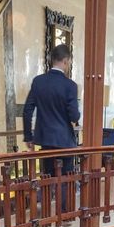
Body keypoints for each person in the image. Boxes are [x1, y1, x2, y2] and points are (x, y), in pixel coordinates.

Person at [22, 43, 80, 207]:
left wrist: (29, 136)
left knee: (47, 176)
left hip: (45, 140)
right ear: (66, 61)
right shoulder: (70, 85)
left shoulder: (38, 81)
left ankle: (47, 213)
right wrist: (77, 114)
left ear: (52, 60)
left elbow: (27, 110)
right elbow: (74, 115)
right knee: (65, 178)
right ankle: (64, 216)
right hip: (64, 141)